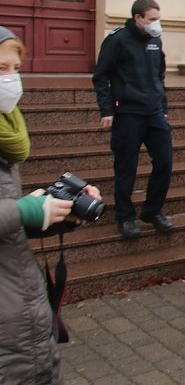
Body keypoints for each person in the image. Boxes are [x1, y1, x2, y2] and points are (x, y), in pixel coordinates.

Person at [0, 26, 101, 383]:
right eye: (1, 70)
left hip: (22, 313)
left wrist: (54, 212)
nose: (11, 79)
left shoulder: (6, 134)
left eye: (14, 68)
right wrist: (25, 210)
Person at [92, 0, 174, 239]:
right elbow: (100, 77)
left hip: (154, 113)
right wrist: (106, 109)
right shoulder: (117, 41)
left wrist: (163, 105)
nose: (156, 24)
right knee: (126, 168)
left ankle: (152, 211)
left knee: (165, 163)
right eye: (152, 19)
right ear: (138, 18)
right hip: (128, 113)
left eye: (158, 19)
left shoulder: (154, 40)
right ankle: (125, 217)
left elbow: (159, 75)